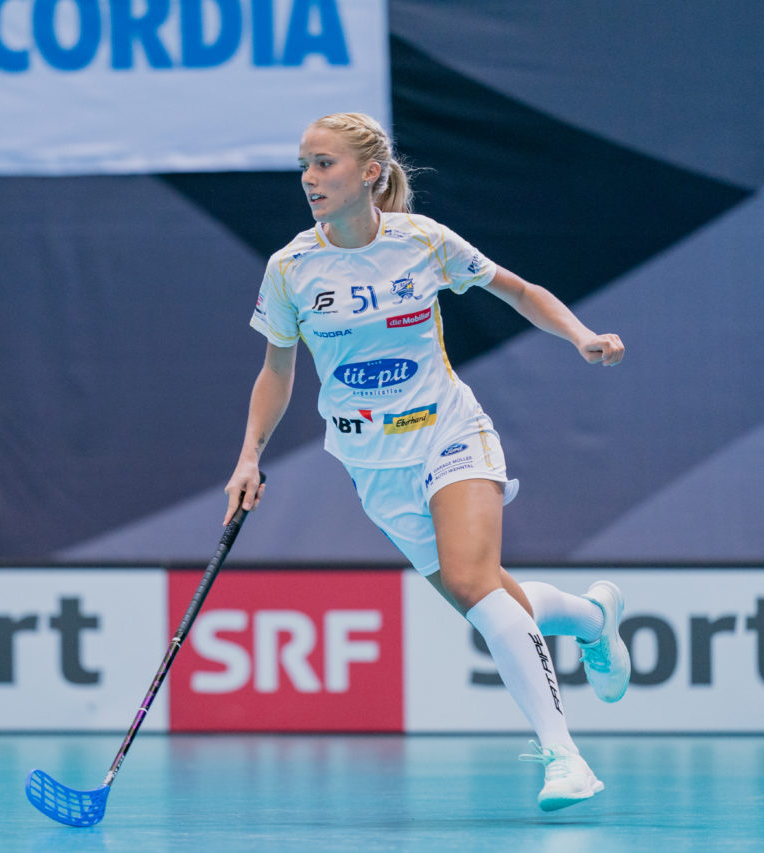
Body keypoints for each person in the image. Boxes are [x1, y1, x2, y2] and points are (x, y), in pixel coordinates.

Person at [223, 112, 630, 812]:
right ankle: (593, 617)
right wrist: (248, 456)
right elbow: (277, 371)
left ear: (370, 174)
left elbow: (517, 289)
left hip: (448, 431)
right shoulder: (291, 267)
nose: (309, 179)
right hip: (372, 462)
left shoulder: (423, 242)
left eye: (324, 164)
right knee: (490, 596)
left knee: (474, 580)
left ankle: (565, 757)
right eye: (305, 165)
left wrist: (580, 335)